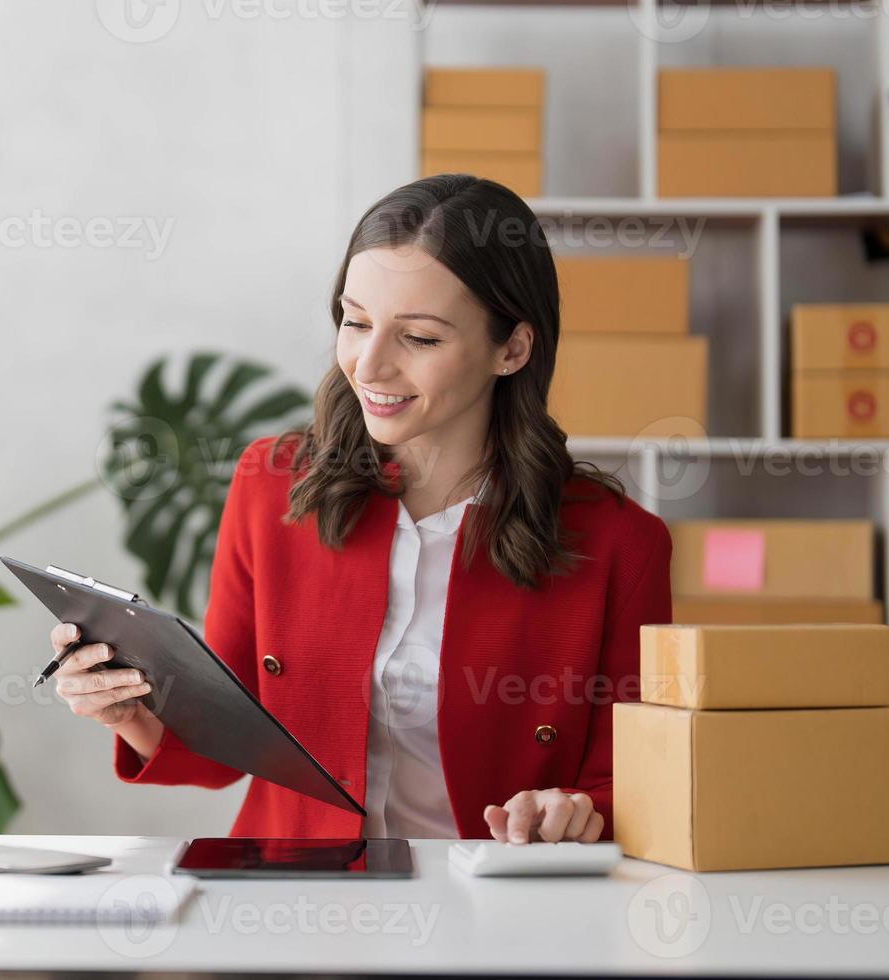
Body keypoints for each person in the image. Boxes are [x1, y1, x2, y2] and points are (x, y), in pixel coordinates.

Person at [47, 175, 671, 844]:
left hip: (499, 919)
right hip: (297, 907)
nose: (367, 366)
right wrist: (127, 710)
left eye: (420, 339)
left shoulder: (617, 544)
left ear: (512, 349)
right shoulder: (271, 487)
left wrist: (573, 810)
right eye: (355, 322)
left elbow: (633, 780)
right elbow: (223, 742)